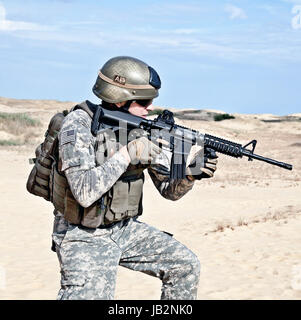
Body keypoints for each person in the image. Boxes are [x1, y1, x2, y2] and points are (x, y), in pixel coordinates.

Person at [52, 56, 218, 300]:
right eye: (144, 101)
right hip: (83, 234)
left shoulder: (142, 128)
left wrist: (191, 174)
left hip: (124, 228)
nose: (150, 107)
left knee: (185, 266)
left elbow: (169, 191)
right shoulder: (78, 125)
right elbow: (84, 192)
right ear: (120, 98)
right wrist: (128, 154)